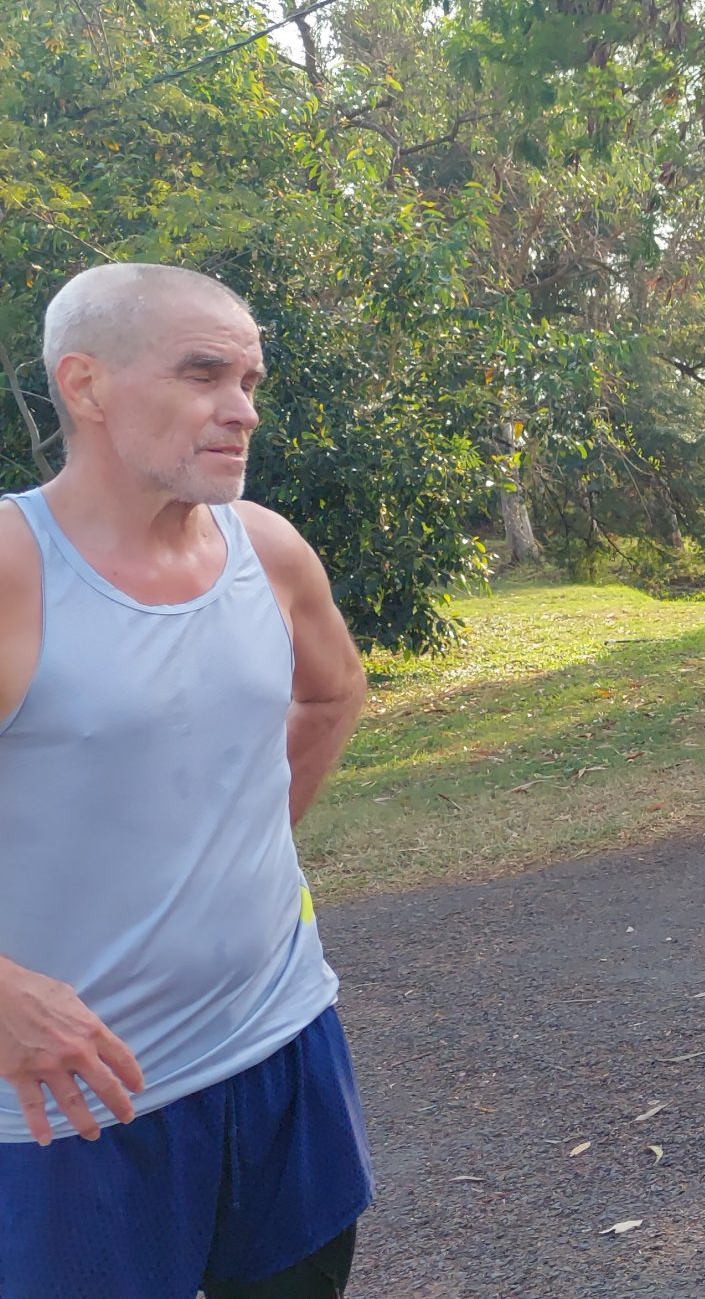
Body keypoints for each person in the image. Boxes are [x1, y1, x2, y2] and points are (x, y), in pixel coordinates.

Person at [0, 264, 373, 1298]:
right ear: (86, 384)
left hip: (280, 1046)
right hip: (68, 1109)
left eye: (250, 377)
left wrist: (242, 847)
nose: (241, 408)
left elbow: (332, 696)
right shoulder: (15, 568)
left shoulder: (267, 550)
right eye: (203, 372)